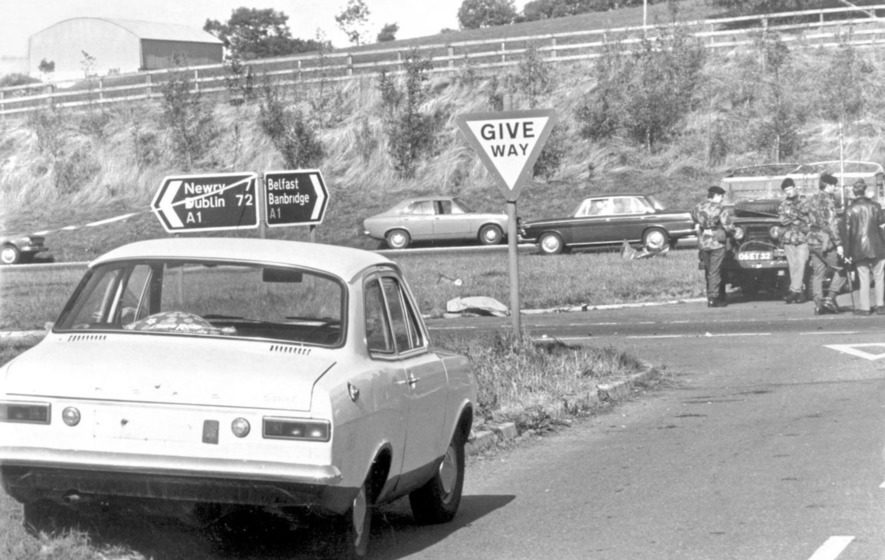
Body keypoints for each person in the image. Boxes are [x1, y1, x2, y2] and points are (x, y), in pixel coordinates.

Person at [805, 172, 847, 314]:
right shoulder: (828, 201)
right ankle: (830, 298)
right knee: (842, 269)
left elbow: (807, 218)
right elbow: (832, 224)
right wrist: (839, 244)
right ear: (828, 185)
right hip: (825, 242)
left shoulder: (811, 199)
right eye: (834, 185)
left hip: (812, 240)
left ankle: (818, 303)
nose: (835, 188)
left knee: (818, 273)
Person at [843, 179, 885, 315]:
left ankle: (865, 307)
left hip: (859, 248)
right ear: (865, 190)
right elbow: (882, 227)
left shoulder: (849, 210)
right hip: (878, 246)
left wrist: (847, 253)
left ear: (854, 193)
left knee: (864, 277)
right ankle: (880, 305)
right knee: (879, 276)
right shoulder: (876, 206)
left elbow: (847, 234)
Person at [692, 185, 733, 307]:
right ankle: (714, 298)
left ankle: (710, 296)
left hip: (703, 242)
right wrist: (733, 232)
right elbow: (728, 226)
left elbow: (694, 221)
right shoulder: (719, 208)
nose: (722, 199)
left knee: (709, 270)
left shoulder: (698, 207)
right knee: (715, 271)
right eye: (721, 196)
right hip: (716, 243)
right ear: (716, 196)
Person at [777, 177, 810, 304]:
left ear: (795, 188)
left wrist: (797, 217)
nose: (788, 192)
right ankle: (799, 292)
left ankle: (794, 290)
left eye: (790, 189)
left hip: (802, 237)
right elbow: (782, 220)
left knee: (801, 264)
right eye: (786, 190)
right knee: (793, 266)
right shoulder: (783, 204)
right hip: (789, 237)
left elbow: (809, 218)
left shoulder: (804, 201)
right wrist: (793, 218)